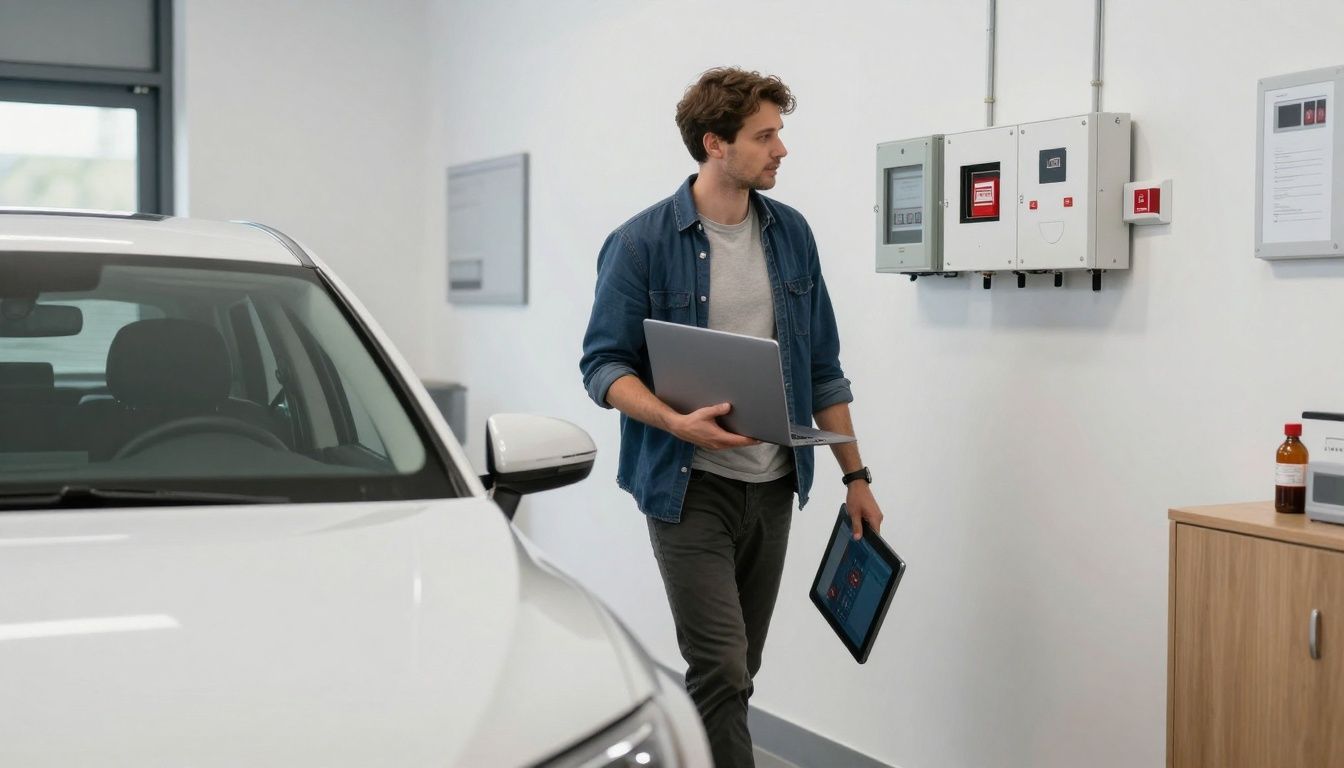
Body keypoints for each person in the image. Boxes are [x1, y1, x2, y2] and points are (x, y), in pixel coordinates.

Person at [579, 67, 883, 767]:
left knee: (739, 671)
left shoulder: (791, 235)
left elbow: (822, 367)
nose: (782, 150)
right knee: (720, 667)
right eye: (765, 135)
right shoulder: (640, 244)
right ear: (715, 143)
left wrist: (856, 477)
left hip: (773, 485)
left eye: (779, 133)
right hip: (688, 488)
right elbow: (603, 367)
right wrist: (674, 421)